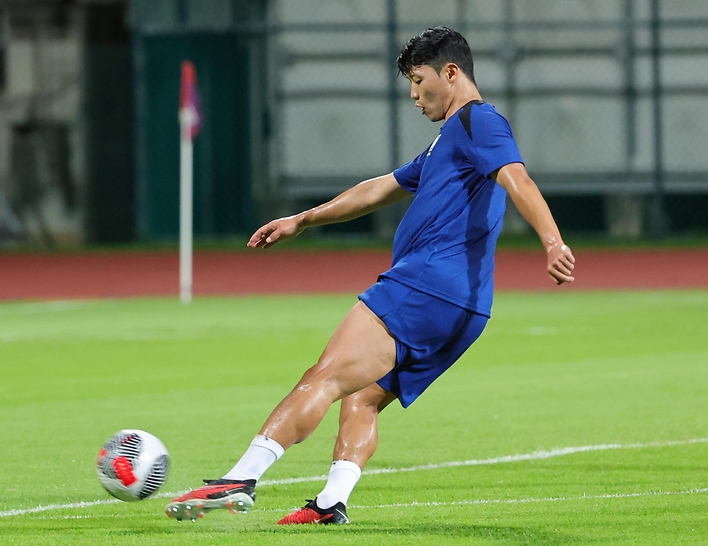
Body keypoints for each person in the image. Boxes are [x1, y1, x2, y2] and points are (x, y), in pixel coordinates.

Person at [165, 26, 575, 525]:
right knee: (363, 396)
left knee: (323, 377)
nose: (412, 94)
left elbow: (519, 179)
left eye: (418, 80)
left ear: (450, 73)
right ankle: (331, 502)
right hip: (467, 309)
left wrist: (552, 241)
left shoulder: (479, 122)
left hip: (423, 287)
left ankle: (242, 476)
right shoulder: (450, 140)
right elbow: (378, 189)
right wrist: (304, 218)